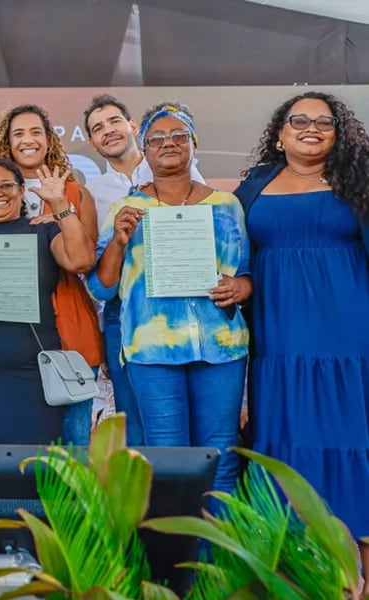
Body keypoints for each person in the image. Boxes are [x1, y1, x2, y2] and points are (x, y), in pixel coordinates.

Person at [234, 91, 369, 588]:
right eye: (299, 120)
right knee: (286, 439)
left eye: (324, 122)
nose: (311, 128)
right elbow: (233, 254)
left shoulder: (360, 182)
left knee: (352, 437)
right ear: (280, 132)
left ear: (339, 133)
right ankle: (295, 575)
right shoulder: (253, 187)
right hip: (278, 342)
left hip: (351, 339)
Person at [87, 102, 250, 496]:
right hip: (153, 350)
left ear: (194, 143)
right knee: (167, 461)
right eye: (156, 139)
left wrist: (240, 288)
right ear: (145, 149)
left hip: (221, 348)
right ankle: (174, 558)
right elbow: (101, 287)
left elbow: (245, 276)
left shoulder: (226, 205)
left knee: (222, 458)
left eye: (179, 135)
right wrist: (119, 243)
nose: (168, 143)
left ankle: (219, 556)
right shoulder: (129, 209)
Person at [82, 94, 207, 446]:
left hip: (185, 304)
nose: (108, 131)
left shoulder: (182, 166)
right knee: (136, 423)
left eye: (114, 121)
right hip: (123, 313)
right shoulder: (91, 194)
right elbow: (92, 269)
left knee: (192, 423)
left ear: (133, 126)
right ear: (92, 142)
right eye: (97, 128)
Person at [0, 158, 95, 444]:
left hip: (35, 368)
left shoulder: (43, 229)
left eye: (6, 186)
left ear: (22, 190)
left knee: (39, 463)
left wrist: (59, 204)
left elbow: (82, 260)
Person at [0, 103, 102, 444]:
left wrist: (60, 215)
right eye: (18, 133)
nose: (28, 140)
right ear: (7, 143)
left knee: (73, 443)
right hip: (11, 332)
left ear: (49, 140)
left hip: (68, 328)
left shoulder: (75, 193)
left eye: (36, 131)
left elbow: (86, 260)